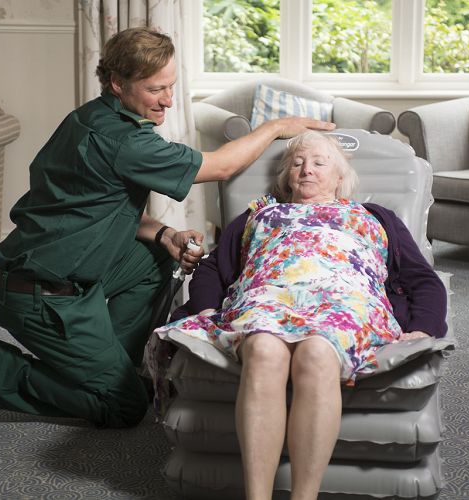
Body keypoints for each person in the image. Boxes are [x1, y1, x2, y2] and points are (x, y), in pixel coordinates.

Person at [0, 27, 334, 429]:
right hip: (44, 294)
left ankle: (114, 365)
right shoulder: (126, 143)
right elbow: (221, 166)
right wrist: (274, 127)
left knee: (153, 259)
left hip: (70, 268)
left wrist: (165, 234)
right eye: (155, 90)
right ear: (118, 83)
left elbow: (103, 208)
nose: (167, 100)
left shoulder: (91, 115)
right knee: (125, 407)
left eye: (171, 87)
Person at [156, 131, 448, 500]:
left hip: (345, 303)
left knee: (317, 353)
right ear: (286, 176)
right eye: (297, 163)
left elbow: (422, 279)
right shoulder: (261, 214)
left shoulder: (374, 217)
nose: (306, 170)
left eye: (319, 163)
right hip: (269, 297)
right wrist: (208, 310)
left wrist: (423, 328)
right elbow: (213, 269)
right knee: (263, 349)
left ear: (340, 178)